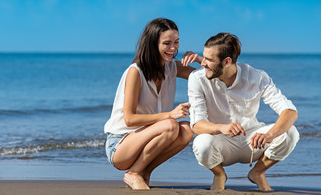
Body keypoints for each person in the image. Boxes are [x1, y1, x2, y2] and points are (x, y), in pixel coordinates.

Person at [188, 33, 299, 191]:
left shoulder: (256, 77)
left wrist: (269, 135)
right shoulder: (197, 78)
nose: (202, 62)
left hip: (252, 142)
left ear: (227, 61)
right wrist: (221, 128)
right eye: (203, 57)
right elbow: (197, 125)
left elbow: (290, 111)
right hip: (221, 143)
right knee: (202, 143)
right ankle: (219, 175)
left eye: (209, 60)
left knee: (291, 133)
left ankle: (258, 172)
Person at [104, 18, 202, 189]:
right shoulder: (136, 72)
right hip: (120, 145)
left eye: (176, 42)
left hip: (147, 139)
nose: (173, 48)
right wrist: (170, 114)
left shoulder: (172, 67)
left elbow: (208, 79)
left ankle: (144, 171)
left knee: (186, 130)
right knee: (171, 125)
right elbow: (129, 119)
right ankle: (133, 173)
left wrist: (200, 59)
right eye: (167, 43)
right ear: (153, 43)